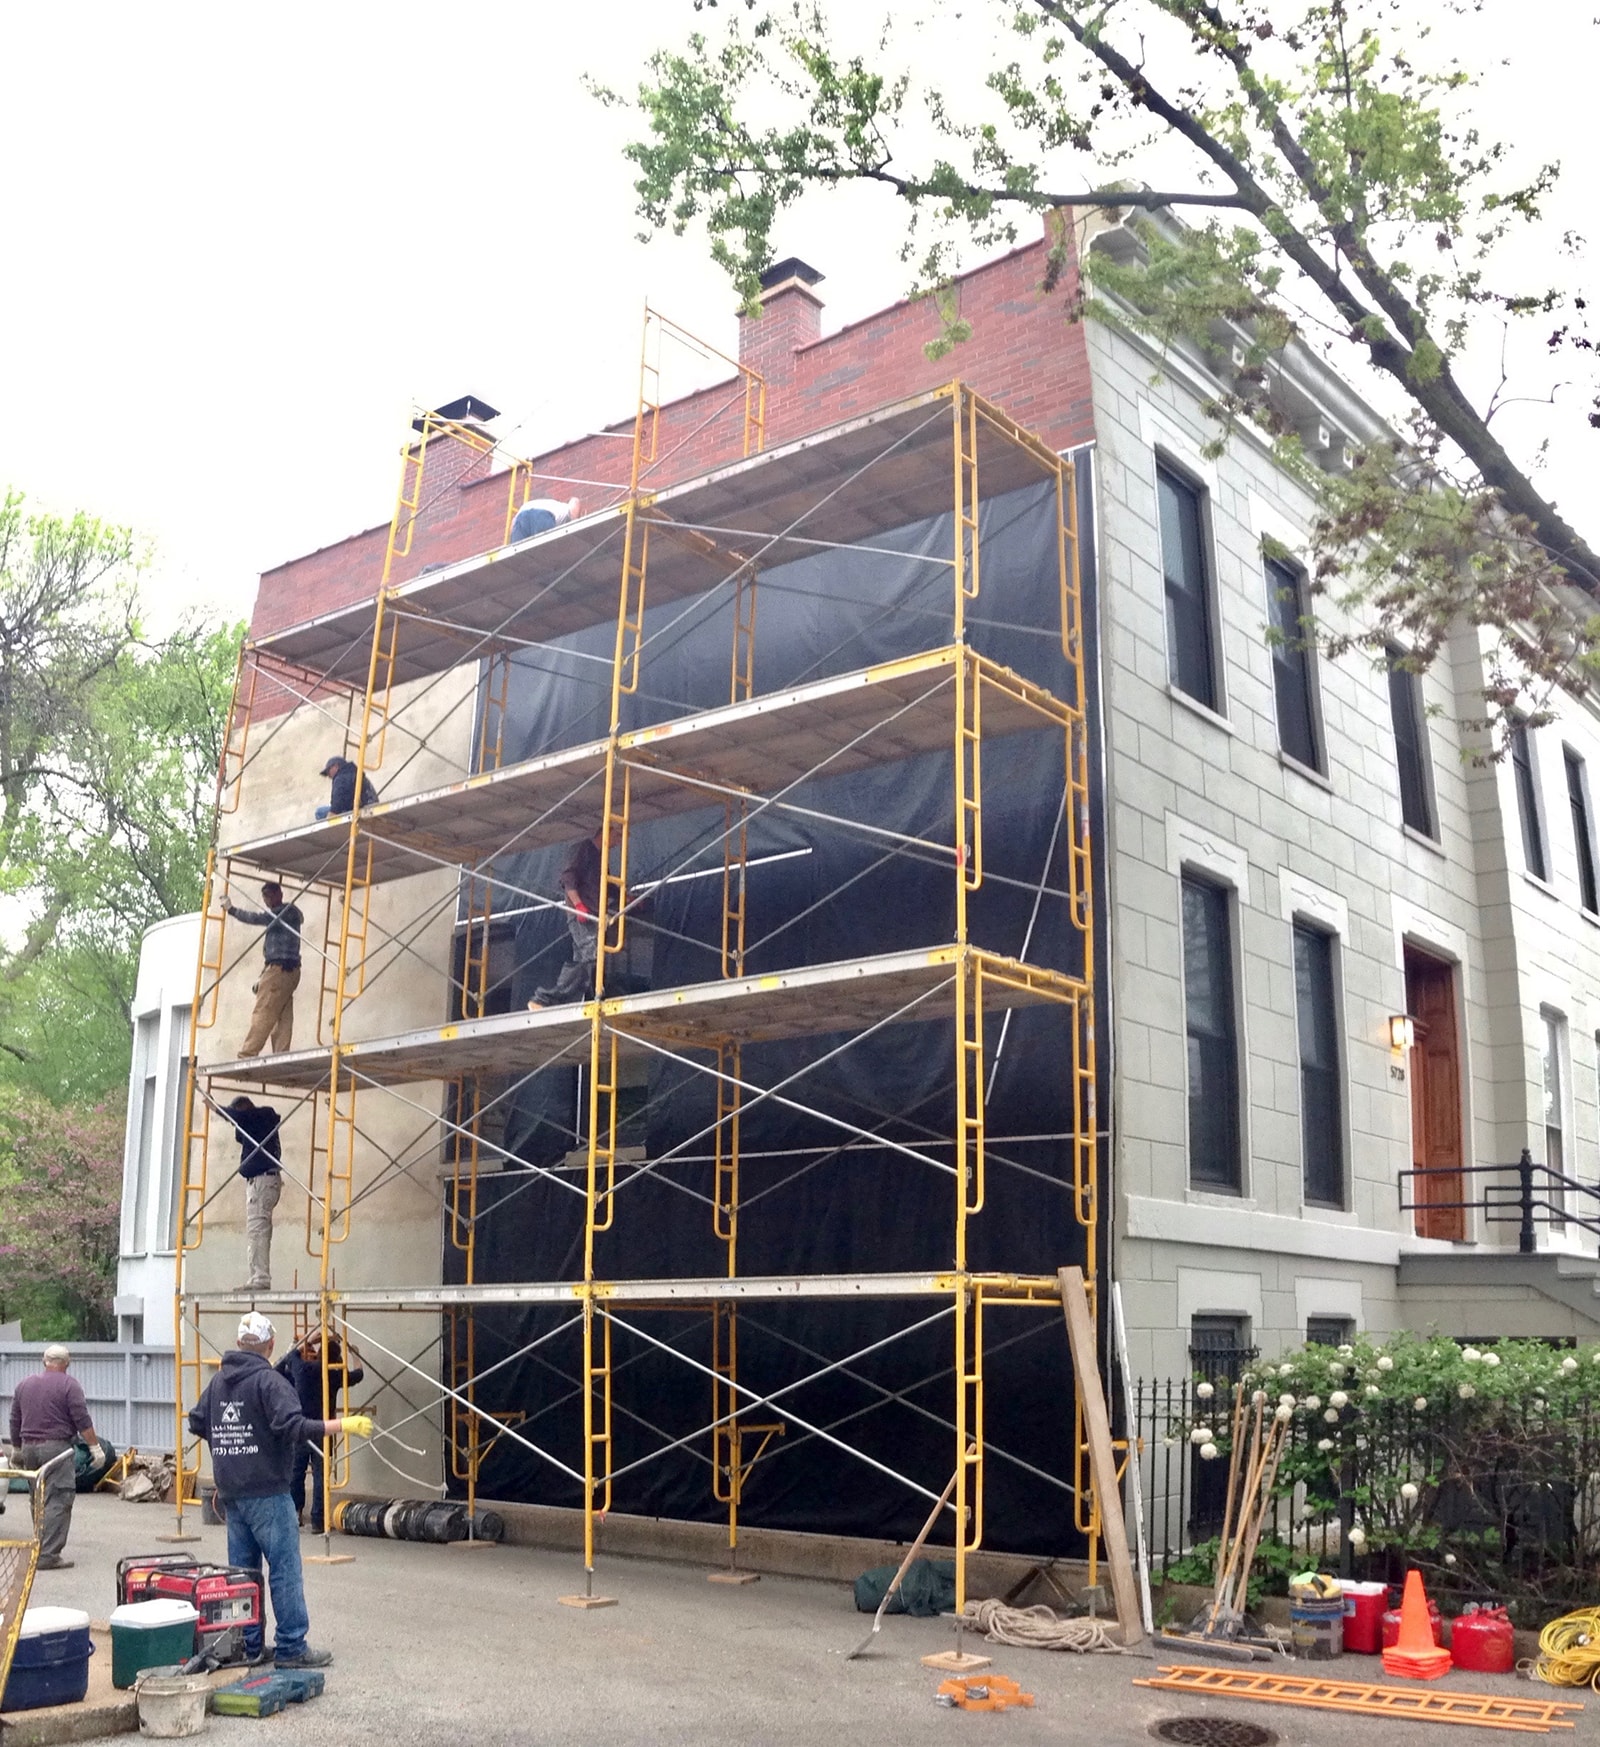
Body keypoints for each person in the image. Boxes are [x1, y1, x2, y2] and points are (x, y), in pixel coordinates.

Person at [188, 1311, 373, 1669]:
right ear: (270, 1345)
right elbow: (294, 1426)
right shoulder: (269, 1382)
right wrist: (342, 1424)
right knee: (285, 1568)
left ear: (240, 1343)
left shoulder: (218, 1383)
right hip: (267, 1492)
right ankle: (291, 1647)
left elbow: (197, 1421)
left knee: (243, 1575)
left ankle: (249, 1645)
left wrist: (232, 1447)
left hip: (232, 1493)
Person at [5, 1346, 103, 1568]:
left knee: (37, 1497)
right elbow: (82, 1419)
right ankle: (48, 1556)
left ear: (44, 1361)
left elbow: (14, 1418)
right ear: (67, 1363)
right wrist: (95, 1448)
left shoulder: (25, 1384)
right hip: (56, 1449)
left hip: (29, 1448)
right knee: (58, 1498)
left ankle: (39, 1547)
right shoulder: (70, 1385)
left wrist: (18, 1448)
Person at [275, 1330, 364, 1532]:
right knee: (321, 1476)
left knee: (295, 1473)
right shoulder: (334, 1374)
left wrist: (308, 1339)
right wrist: (355, 1354)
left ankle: (295, 1513)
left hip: (300, 1428)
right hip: (324, 1430)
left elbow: (288, 1359)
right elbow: (358, 1375)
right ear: (336, 1358)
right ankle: (318, 1520)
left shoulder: (302, 1370)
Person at [224, 882, 303, 1057]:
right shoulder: (289, 915)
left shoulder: (285, 912)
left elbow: (258, 918)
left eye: (269, 895)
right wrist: (263, 975)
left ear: (279, 894)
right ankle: (281, 1054)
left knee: (264, 1010)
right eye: (265, 896)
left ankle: (248, 1053)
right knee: (282, 1013)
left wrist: (232, 910)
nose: (267, 900)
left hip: (279, 970)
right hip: (288, 971)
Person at [528, 829, 604, 1009]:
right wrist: (578, 906)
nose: (619, 842)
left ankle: (548, 1000)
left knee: (583, 960)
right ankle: (545, 998)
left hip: (590, 914)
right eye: (617, 835)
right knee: (592, 956)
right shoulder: (583, 850)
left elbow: (604, 883)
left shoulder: (599, 856)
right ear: (605, 833)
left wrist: (627, 897)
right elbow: (568, 879)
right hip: (582, 915)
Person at [225, 1096, 283, 1293]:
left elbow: (236, 1117)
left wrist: (213, 1107)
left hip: (261, 1182)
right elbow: (240, 1135)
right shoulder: (260, 1124)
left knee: (257, 1231)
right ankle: (257, 1276)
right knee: (258, 1229)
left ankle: (260, 1278)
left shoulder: (260, 1116)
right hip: (265, 1181)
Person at [315, 756, 378, 821]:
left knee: (319, 812)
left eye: (328, 771)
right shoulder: (356, 773)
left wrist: (332, 813)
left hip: (358, 809)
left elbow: (338, 797)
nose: (329, 776)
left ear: (336, 766)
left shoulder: (340, 777)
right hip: (368, 804)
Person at [509, 495, 580, 542]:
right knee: (546, 550)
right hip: (541, 515)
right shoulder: (565, 510)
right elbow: (575, 501)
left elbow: (513, 523)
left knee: (517, 558)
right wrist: (576, 523)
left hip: (519, 517)